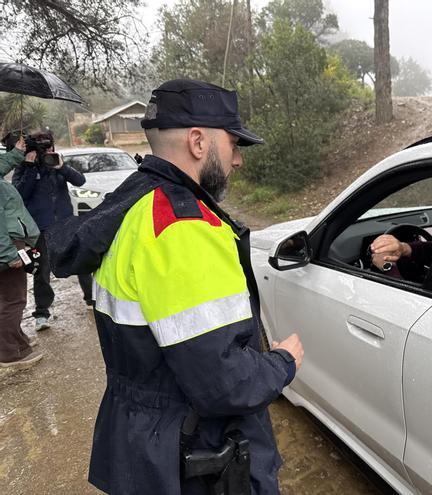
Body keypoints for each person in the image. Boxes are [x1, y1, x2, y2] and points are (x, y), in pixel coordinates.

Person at [47, 80, 304, 495]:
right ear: (199, 142)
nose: (237, 160)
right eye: (234, 144)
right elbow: (223, 383)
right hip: (190, 456)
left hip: (144, 439)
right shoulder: (183, 228)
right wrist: (281, 362)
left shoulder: (135, 204)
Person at [11, 130, 93, 331]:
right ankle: (41, 313)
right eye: (42, 148)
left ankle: (91, 299)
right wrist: (30, 167)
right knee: (42, 270)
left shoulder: (57, 162)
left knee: (82, 261)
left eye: (48, 147)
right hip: (40, 229)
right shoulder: (23, 167)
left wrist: (62, 167)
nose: (46, 151)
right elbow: (20, 194)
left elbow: (80, 181)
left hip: (66, 224)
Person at [0, 136, 43, 368]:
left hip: (8, 243)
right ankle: (9, 353)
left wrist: (17, 152)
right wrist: (9, 255)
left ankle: (17, 342)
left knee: (7, 297)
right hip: (6, 246)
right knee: (13, 299)